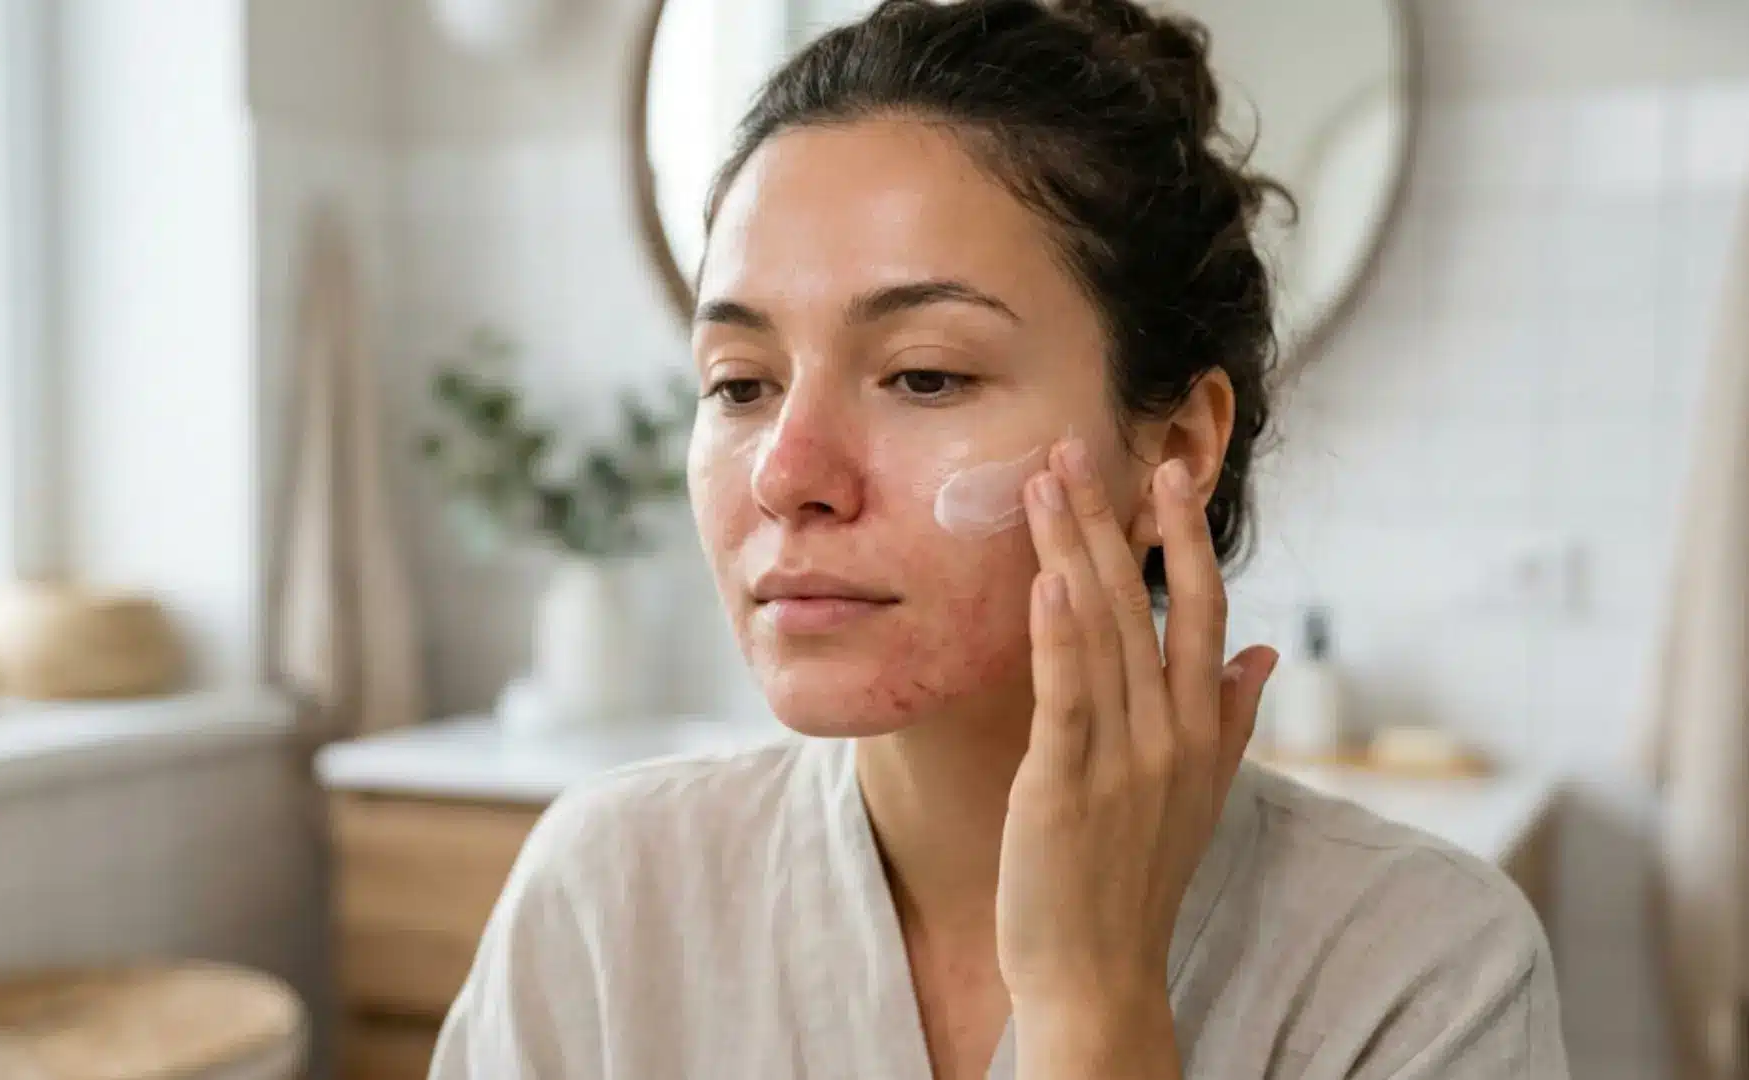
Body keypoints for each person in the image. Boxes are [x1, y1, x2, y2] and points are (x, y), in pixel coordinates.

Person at [430, 1, 1570, 1077]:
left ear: (1174, 450)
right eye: (739, 385)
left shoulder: (1421, 973)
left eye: (925, 375)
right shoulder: (605, 899)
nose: (785, 475)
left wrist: (1094, 1004)